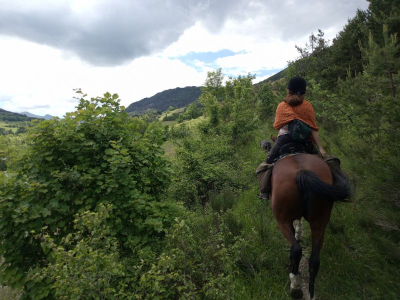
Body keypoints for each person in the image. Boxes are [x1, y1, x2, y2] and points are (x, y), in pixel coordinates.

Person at [258, 76, 326, 200]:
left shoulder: (282, 106)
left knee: (264, 166)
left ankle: (264, 192)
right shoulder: (308, 106)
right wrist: (321, 149)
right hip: (305, 141)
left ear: (288, 90)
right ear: (303, 91)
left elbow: (277, 125)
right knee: (325, 163)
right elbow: (313, 128)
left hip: (284, 140)